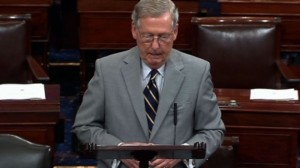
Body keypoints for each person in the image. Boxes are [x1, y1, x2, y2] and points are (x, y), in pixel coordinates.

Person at [72, 0, 225, 167]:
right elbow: (84, 126)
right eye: (147, 36)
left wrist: (182, 152)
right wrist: (120, 150)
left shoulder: (198, 71)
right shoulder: (107, 69)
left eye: (163, 36)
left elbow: (212, 130)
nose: (155, 46)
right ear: (134, 31)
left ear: (175, 32)